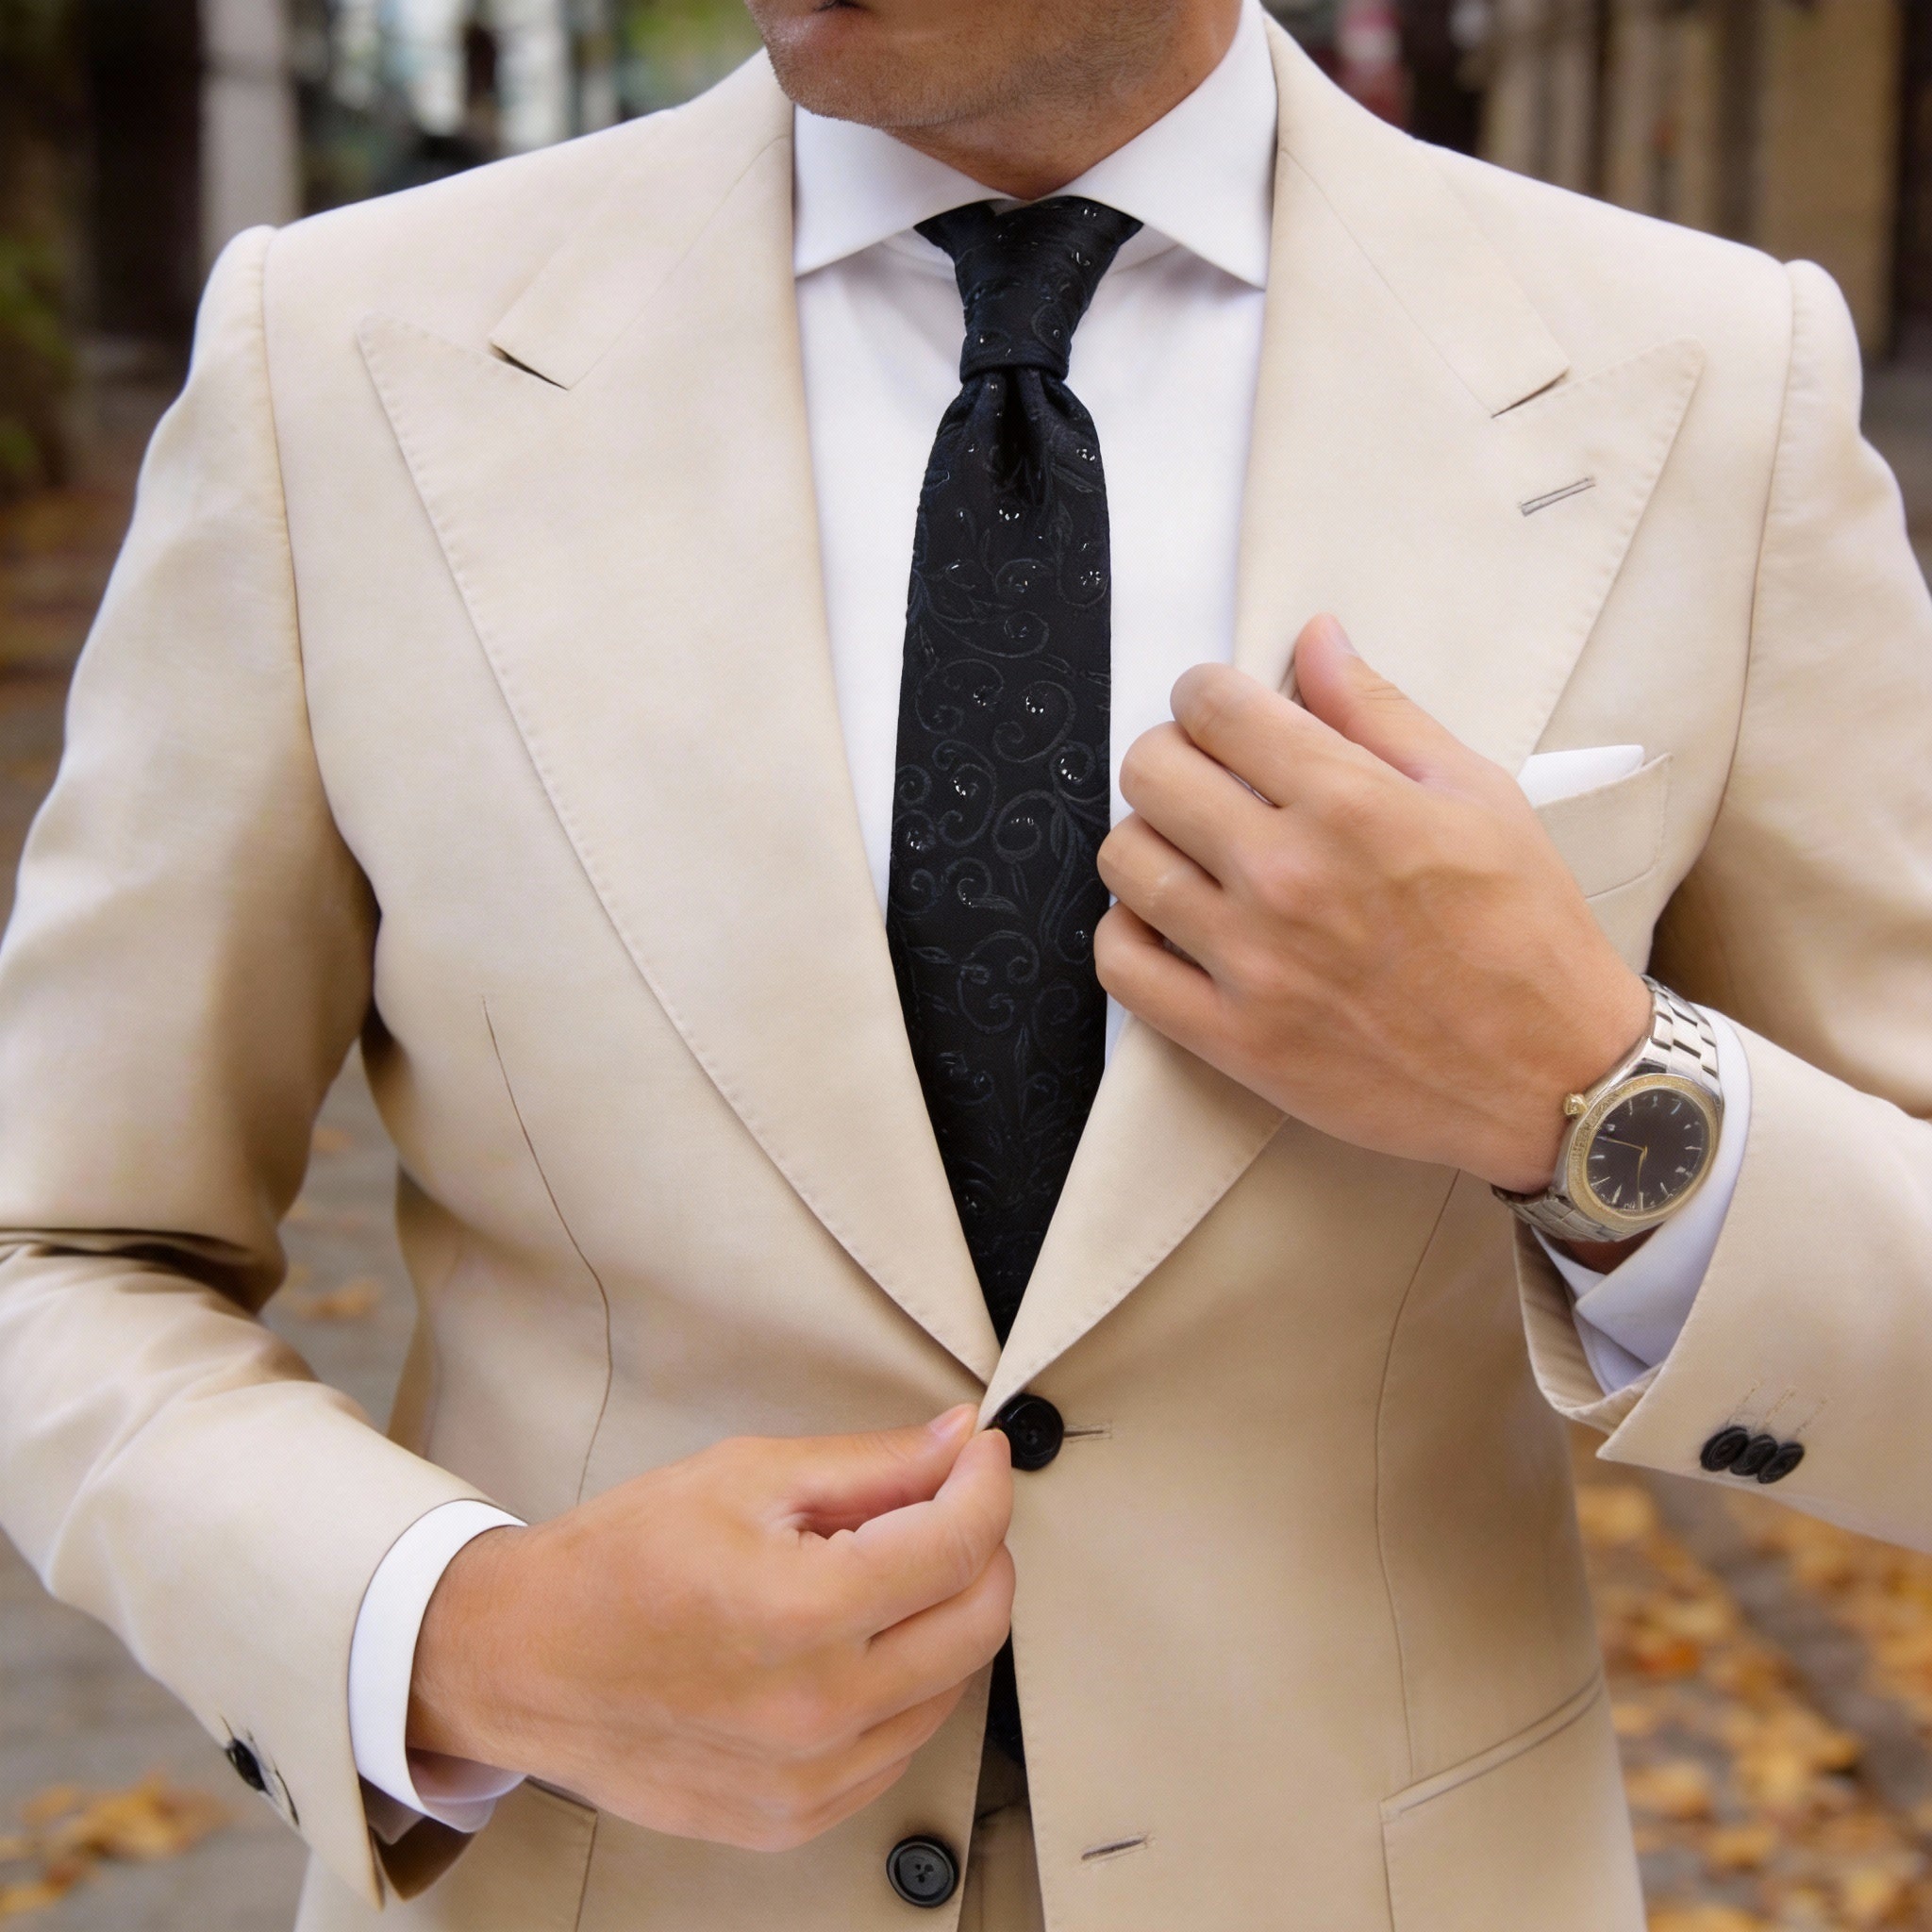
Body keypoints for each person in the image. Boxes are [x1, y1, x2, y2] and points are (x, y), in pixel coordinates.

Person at [0, 0, 1928, 1924]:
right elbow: (58, 1246)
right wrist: (457, 1631)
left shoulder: (1700, 381)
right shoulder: (338, 360)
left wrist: (1594, 1096)